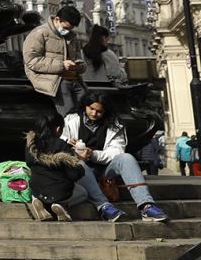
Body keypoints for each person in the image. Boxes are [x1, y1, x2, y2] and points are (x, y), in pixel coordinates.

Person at [63, 94, 167, 222]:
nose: (94, 113)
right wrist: (69, 144)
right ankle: (104, 207)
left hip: (104, 169)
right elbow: (58, 141)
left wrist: (93, 154)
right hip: (80, 170)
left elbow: (116, 150)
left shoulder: (115, 125)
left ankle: (146, 205)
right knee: (79, 164)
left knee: (126, 158)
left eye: (99, 111)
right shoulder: (70, 120)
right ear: (85, 106)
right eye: (91, 109)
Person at [24, 109, 102, 221]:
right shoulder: (62, 145)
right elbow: (74, 175)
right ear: (58, 129)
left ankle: (39, 201)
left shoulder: (31, 144)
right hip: (59, 191)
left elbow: (29, 163)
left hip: (37, 188)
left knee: (43, 189)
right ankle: (60, 205)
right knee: (83, 193)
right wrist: (81, 160)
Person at [21, 4, 85, 115]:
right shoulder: (39, 33)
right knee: (69, 115)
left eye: (70, 29)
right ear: (57, 19)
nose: (67, 31)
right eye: (65, 28)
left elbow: (80, 59)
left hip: (74, 79)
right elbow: (32, 61)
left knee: (87, 108)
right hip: (53, 81)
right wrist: (61, 65)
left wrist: (79, 66)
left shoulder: (72, 37)